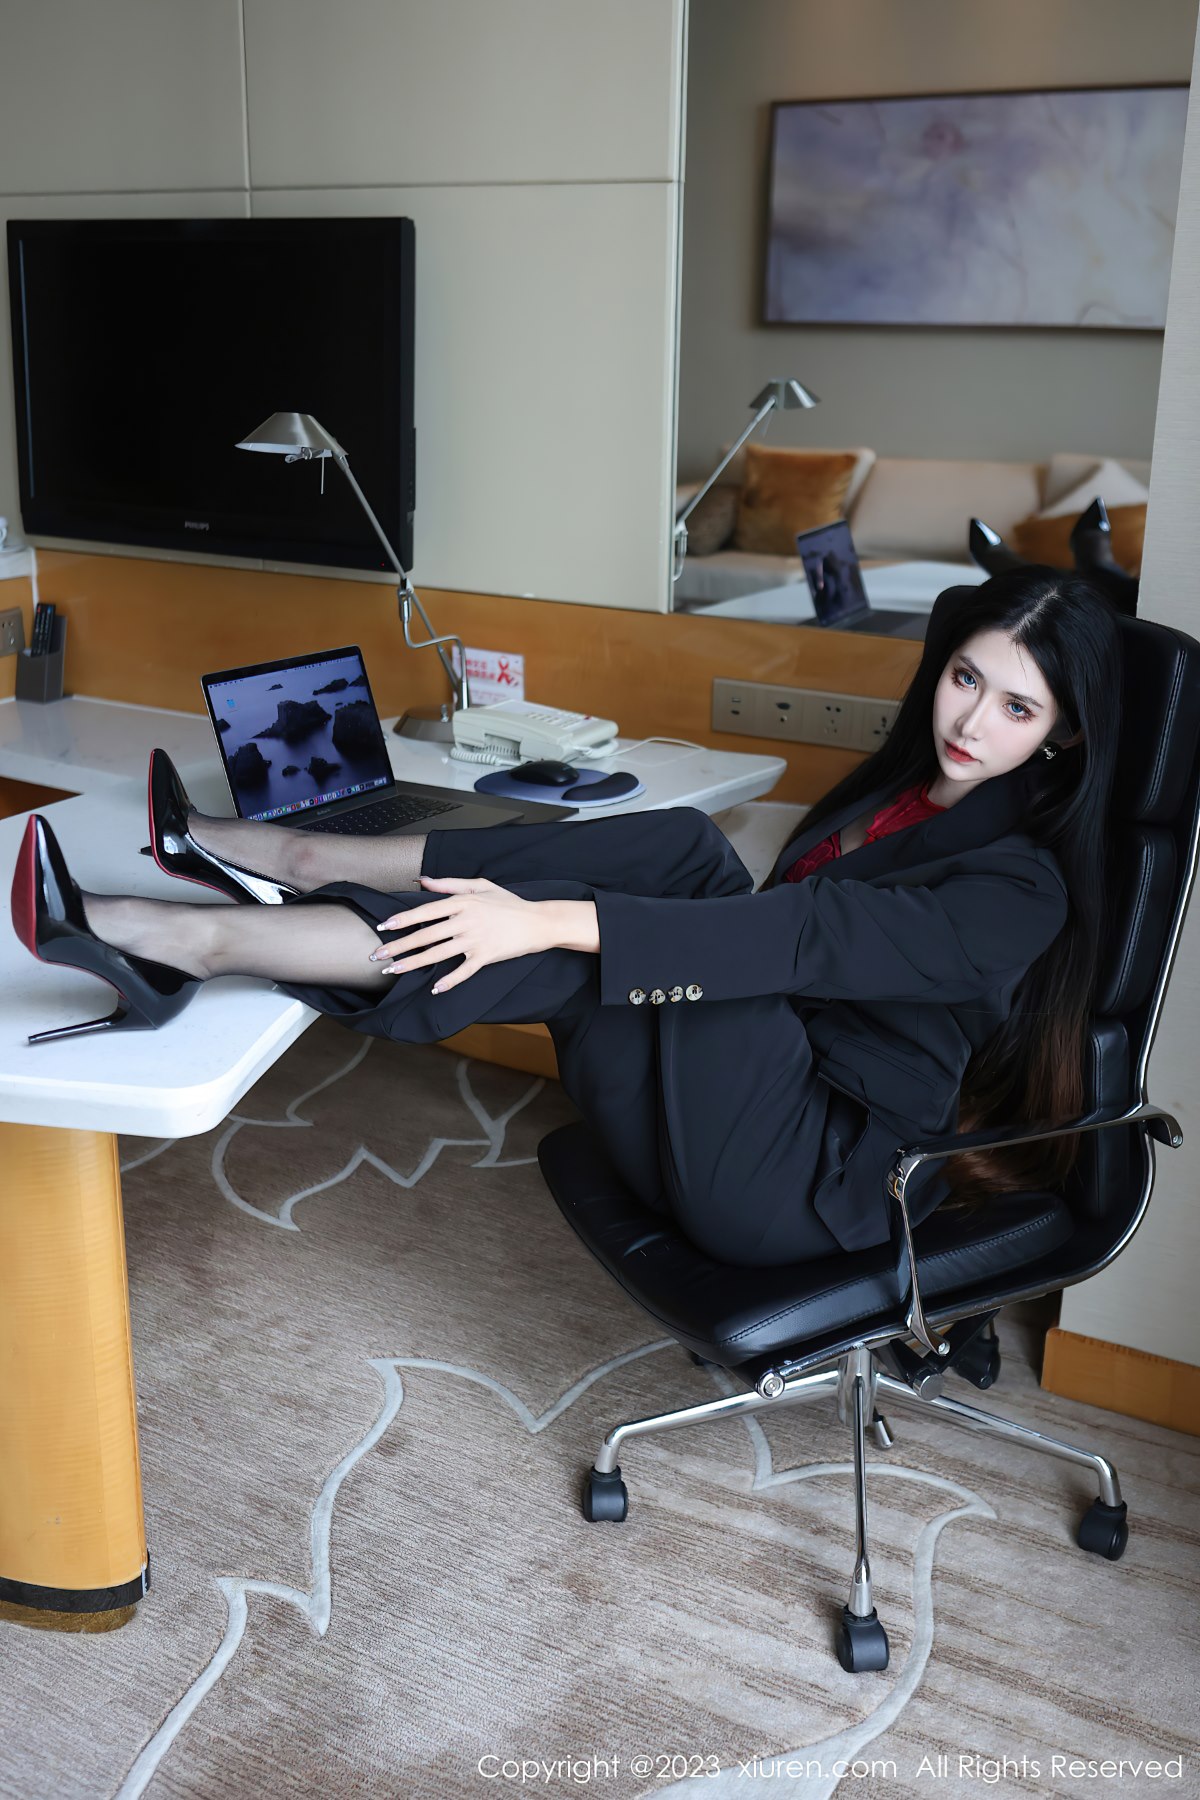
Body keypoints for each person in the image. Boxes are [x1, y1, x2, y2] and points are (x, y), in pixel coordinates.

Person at [11, 569, 1121, 1269]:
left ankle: (205, 931)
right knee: (678, 850)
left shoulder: (1023, 887)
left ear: (1062, 735)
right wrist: (552, 923)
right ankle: (272, 877)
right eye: (965, 679)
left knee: (623, 912)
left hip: (799, 1177)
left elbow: (803, 937)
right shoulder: (904, 793)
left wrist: (547, 921)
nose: (972, 720)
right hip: (728, 1106)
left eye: (1016, 706)